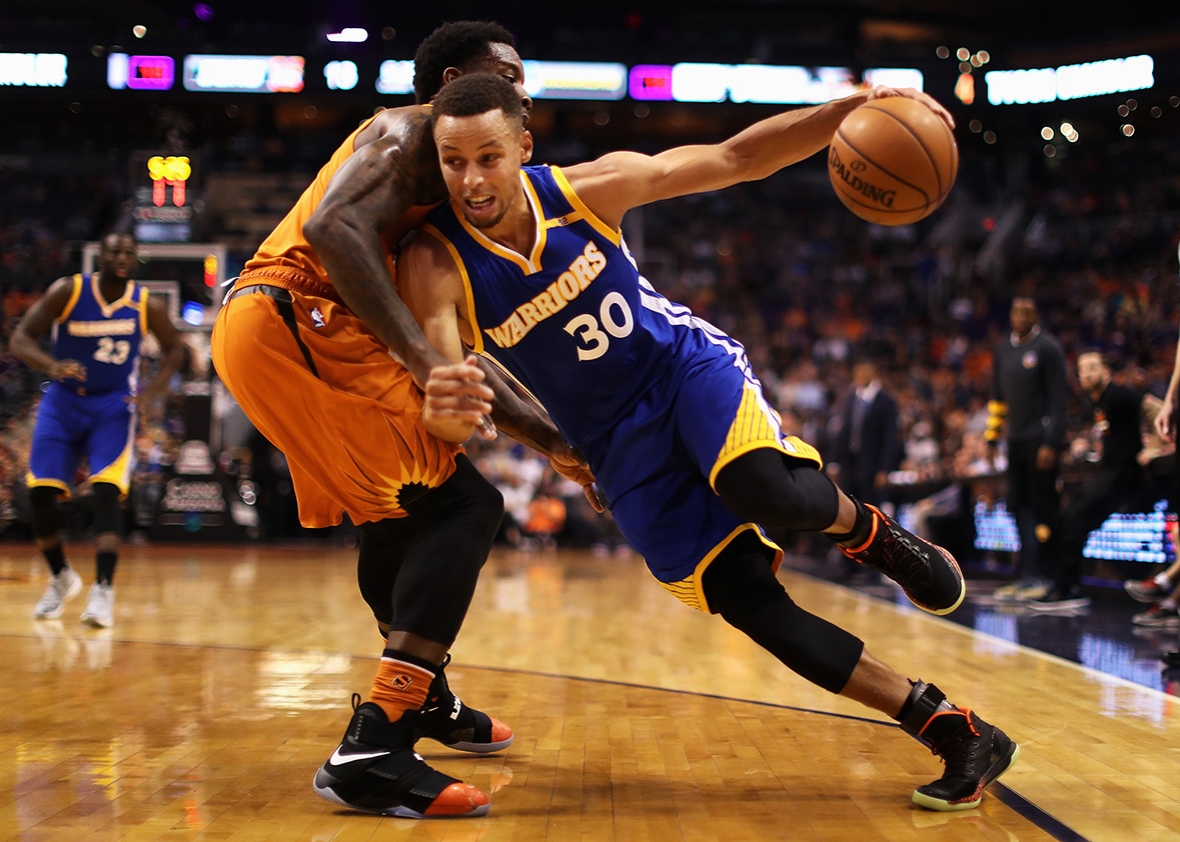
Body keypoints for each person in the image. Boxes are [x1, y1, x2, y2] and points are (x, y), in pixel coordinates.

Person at [396, 73, 1017, 812]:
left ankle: (872, 533)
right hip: (614, 443)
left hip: (681, 369)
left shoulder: (586, 190)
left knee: (757, 483)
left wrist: (845, 110)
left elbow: (735, 159)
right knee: (747, 600)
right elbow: (446, 394)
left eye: (488, 157)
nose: (470, 179)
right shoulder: (434, 261)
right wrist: (447, 407)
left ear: (522, 147)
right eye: (452, 160)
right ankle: (954, 728)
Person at [210, 22, 597, 819]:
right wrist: (427, 369)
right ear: (455, 80)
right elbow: (330, 231)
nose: (526, 89)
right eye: (509, 72)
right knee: (466, 507)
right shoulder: (409, 131)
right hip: (298, 315)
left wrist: (555, 444)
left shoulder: (451, 193)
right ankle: (374, 744)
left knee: (395, 518)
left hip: (293, 330)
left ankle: (426, 700)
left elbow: (459, 361)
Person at [10, 231, 185, 628]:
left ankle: (103, 590)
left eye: (128, 252)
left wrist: (152, 394)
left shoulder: (146, 304)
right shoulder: (68, 291)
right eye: (114, 251)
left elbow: (176, 350)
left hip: (113, 405)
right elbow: (21, 339)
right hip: (63, 401)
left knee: (107, 491)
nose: (121, 257)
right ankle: (61, 577)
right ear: (99, 256)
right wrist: (50, 366)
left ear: (135, 259)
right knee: (40, 494)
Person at [1030, 351, 1161, 611]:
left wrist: (1156, 445)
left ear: (1105, 371)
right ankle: (1066, 587)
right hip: (1109, 471)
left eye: (1092, 368)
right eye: (1082, 370)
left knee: (1072, 518)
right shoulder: (1094, 402)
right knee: (1070, 522)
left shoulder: (1118, 394)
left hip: (1126, 475)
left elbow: (1156, 407)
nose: (1087, 374)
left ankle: (1067, 588)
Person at [984, 297, 1068, 603]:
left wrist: (1052, 441)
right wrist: (992, 438)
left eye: (1027, 312)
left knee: (1044, 508)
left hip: (1039, 440)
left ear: (1036, 315)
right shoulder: (1003, 350)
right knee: (1018, 506)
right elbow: (997, 398)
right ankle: (1025, 575)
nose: (1020, 317)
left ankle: (1049, 576)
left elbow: (1059, 400)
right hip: (1015, 441)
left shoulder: (1048, 348)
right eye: (1016, 311)